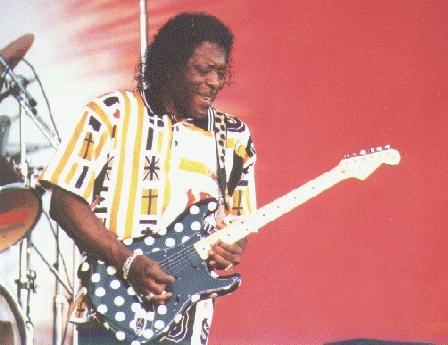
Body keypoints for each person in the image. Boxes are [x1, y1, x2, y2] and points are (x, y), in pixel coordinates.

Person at [39, 12, 256, 345]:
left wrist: (232, 245)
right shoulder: (110, 115)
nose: (214, 82)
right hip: (107, 308)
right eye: (202, 70)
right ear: (170, 66)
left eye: (220, 71)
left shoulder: (234, 137)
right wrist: (128, 263)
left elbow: (240, 224)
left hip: (186, 317)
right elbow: (64, 203)